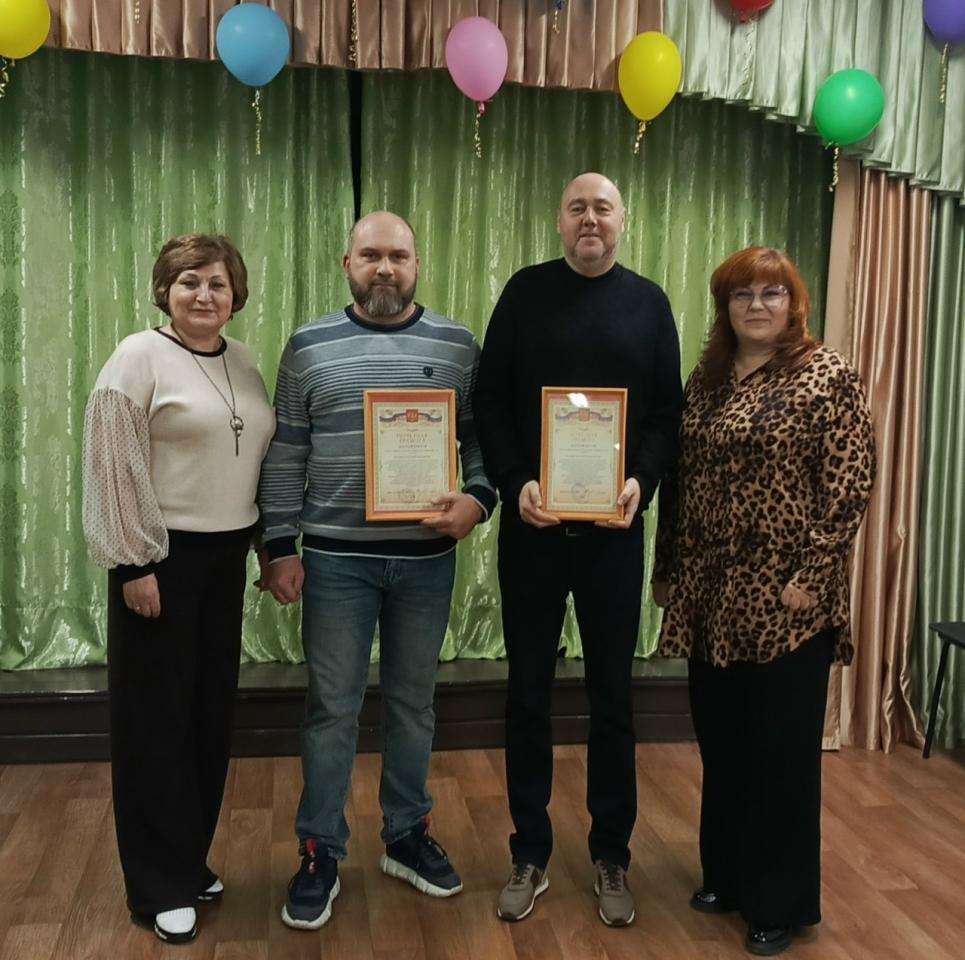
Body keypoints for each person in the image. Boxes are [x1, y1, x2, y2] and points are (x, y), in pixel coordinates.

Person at [258, 211, 496, 931]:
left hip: (426, 562)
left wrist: (479, 500)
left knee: (413, 705)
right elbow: (286, 450)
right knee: (332, 709)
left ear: (417, 263)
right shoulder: (308, 346)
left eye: (398, 255)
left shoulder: (458, 345)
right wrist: (278, 546)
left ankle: (406, 835)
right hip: (335, 563)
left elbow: (481, 443)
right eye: (370, 256)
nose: (385, 268)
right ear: (347, 264)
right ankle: (319, 851)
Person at [651, 247, 876, 956]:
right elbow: (679, 482)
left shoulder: (826, 375)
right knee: (723, 745)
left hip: (787, 599)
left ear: (793, 303)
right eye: (741, 293)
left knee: (779, 757)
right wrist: (666, 568)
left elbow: (849, 485)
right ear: (724, 306)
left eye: (771, 293)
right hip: (710, 594)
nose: (756, 305)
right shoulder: (706, 381)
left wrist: (813, 574)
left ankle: (778, 901)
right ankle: (725, 875)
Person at [472, 172, 683, 927]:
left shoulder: (649, 304)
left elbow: (665, 414)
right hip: (533, 532)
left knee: (612, 699)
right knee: (526, 694)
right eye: (576, 208)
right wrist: (515, 480)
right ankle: (528, 851)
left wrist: (640, 481)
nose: (589, 219)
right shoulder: (523, 294)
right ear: (559, 222)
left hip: (612, 537)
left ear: (623, 220)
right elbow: (489, 402)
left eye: (602, 207)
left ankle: (611, 855)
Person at [82, 234, 275, 944]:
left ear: (235, 295)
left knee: (205, 717)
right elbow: (112, 463)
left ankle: (188, 858)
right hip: (160, 560)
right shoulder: (138, 357)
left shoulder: (245, 361)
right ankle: (156, 883)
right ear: (165, 289)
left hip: (225, 559)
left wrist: (267, 546)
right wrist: (133, 565)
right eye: (189, 281)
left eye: (218, 283)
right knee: (154, 723)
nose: (204, 294)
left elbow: (255, 459)